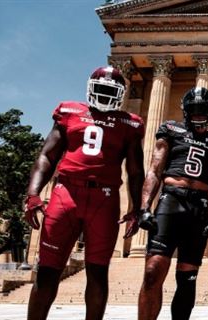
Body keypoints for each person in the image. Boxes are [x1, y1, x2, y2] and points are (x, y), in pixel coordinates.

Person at [23, 66, 145, 320]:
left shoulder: (129, 124)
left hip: (105, 197)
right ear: (90, 88)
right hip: (66, 192)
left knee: (98, 272)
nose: (104, 96)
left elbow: (136, 172)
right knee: (47, 271)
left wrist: (137, 209)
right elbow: (47, 156)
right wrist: (33, 194)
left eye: (110, 91)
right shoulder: (69, 112)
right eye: (100, 89)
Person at [136, 87, 208, 320]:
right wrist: (144, 208)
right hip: (171, 200)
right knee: (152, 270)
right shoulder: (170, 129)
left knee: (187, 279)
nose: (198, 114)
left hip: (199, 207)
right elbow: (155, 170)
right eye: (194, 110)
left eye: (203, 110)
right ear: (186, 111)